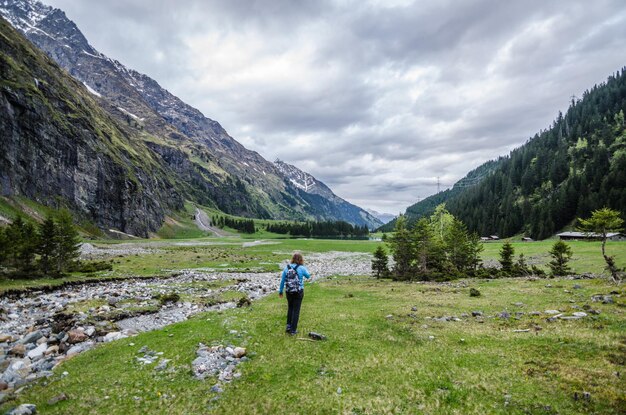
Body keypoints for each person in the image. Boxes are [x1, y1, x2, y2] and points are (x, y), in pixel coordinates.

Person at [278, 252, 312, 335]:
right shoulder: (301, 268)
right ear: (301, 259)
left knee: (290, 308)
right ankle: (293, 330)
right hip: (298, 291)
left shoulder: (287, 268)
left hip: (288, 291)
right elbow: (308, 276)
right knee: (296, 311)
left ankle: (288, 327)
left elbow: (282, 280)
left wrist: (280, 291)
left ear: (292, 259)